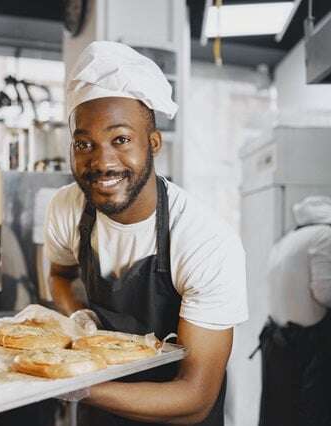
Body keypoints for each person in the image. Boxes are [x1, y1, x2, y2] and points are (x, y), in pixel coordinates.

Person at [44, 41, 248, 425]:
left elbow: (195, 398)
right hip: (100, 414)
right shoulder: (66, 209)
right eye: (84, 144)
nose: (102, 162)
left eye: (121, 139)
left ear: (153, 143)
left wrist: (75, 384)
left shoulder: (205, 241)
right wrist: (79, 324)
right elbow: (59, 275)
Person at [256, 196, 331, 426]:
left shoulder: (287, 239)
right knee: (310, 414)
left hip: (278, 342)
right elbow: (325, 293)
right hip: (307, 346)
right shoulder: (324, 236)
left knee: (280, 413)